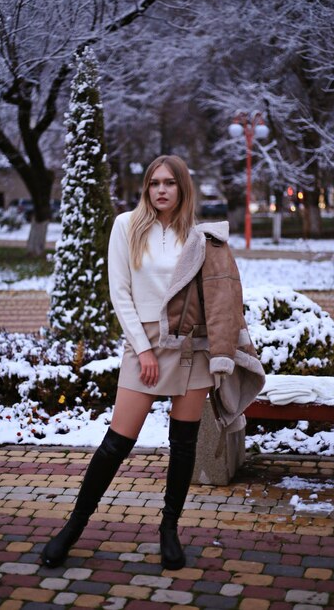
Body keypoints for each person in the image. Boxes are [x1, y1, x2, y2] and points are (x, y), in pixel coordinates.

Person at [41, 154, 263, 571]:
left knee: (183, 446)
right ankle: (71, 528)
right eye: (154, 182)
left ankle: (169, 531)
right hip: (144, 343)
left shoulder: (197, 237)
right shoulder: (127, 226)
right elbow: (120, 293)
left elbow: (215, 295)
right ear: (146, 187)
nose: (161, 190)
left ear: (183, 188)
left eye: (170, 183)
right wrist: (142, 349)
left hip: (191, 346)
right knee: (116, 444)